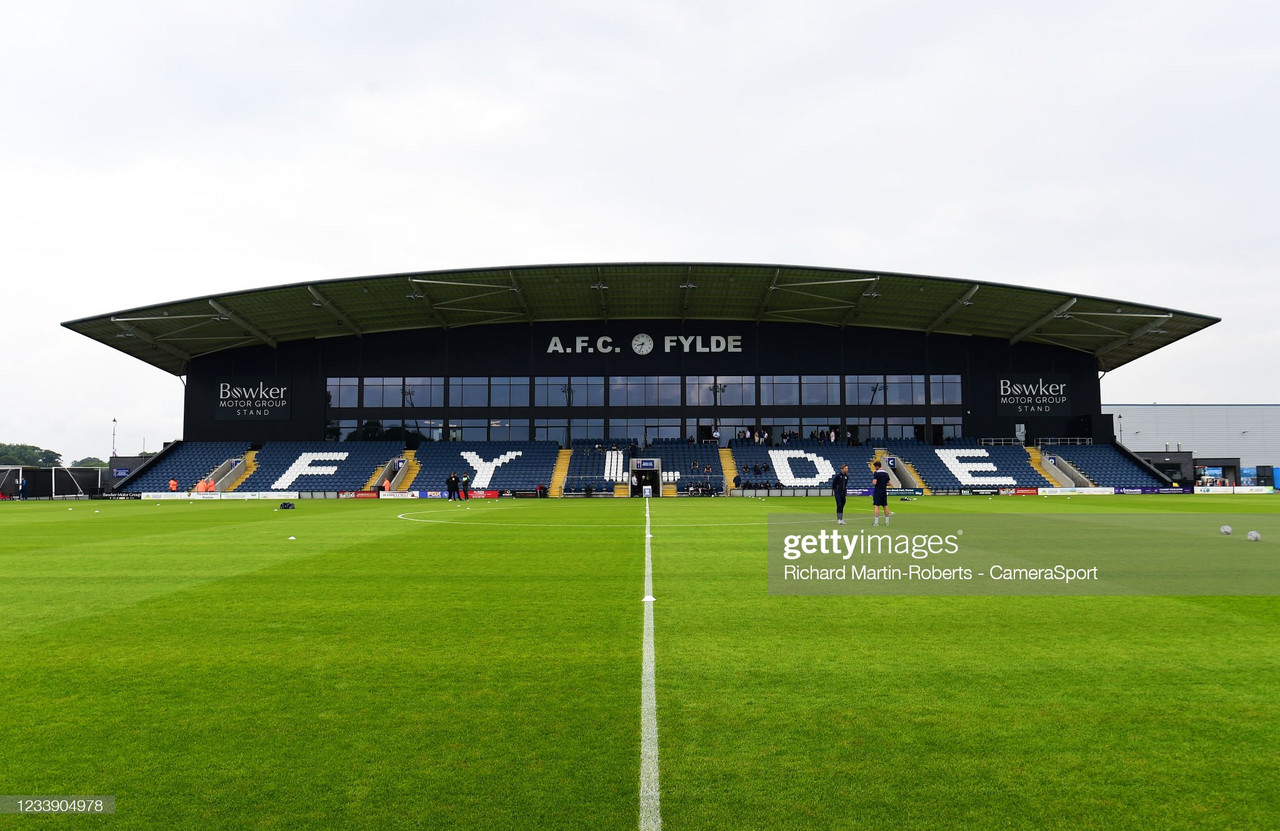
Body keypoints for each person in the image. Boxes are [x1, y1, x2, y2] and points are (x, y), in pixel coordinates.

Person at [872, 460, 891, 526]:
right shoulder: (886, 473)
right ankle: (887, 522)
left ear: (877, 466)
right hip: (884, 491)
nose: (874, 468)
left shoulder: (876, 473)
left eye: (875, 467)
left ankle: (876, 522)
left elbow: (874, 482)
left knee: (876, 506)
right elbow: (889, 483)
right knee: (885, 506)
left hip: (878, 491)